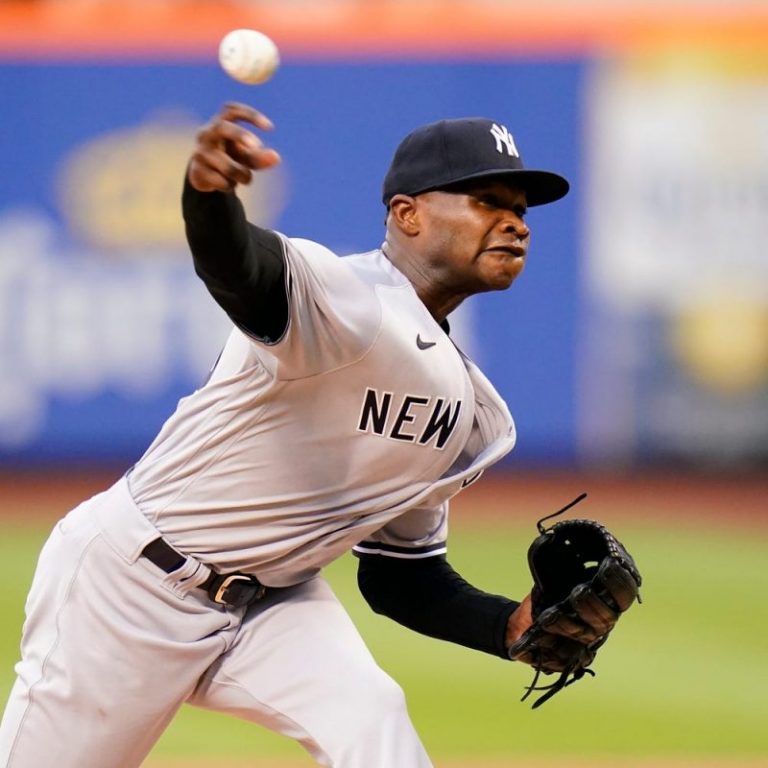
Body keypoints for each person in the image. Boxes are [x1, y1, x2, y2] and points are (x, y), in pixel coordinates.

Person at [0, 103, 575, 768]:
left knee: (372, 722)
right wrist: (208, 195)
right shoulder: (348, 299)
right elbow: (241, 268)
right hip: (131, 585)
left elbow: (403, 576)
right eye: (487, 200)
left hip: (270, 606)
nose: (515, 222)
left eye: (522, 209)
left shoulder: (464, 405)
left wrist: (509, 627)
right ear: (407, 214)